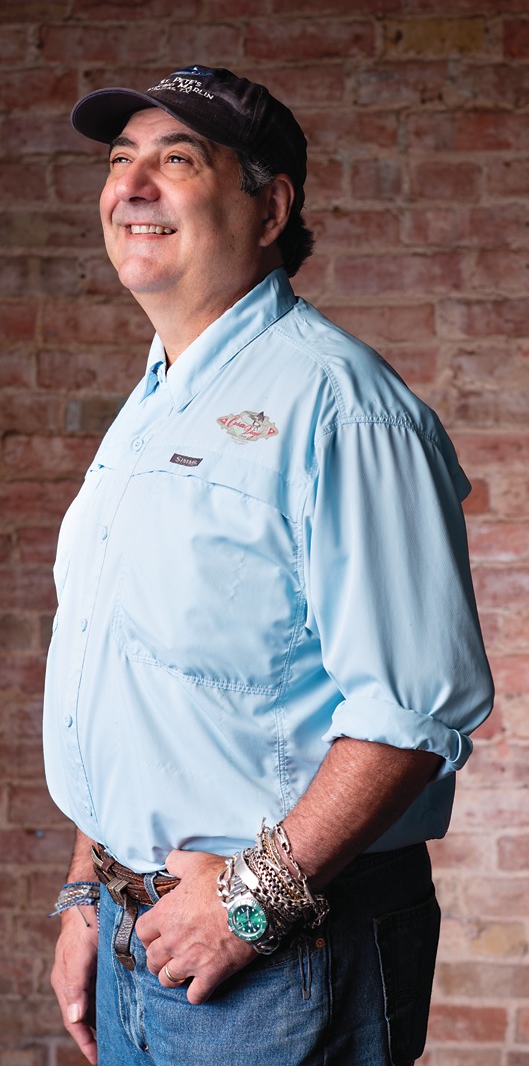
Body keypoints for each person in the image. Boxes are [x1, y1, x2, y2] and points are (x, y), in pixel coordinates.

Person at [43, 65, 493, 1066]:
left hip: (279, 956)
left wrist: (248, 907)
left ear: (270, 207)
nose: (132, 186)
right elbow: (124, 679)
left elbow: (413, 713)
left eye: (176, 160)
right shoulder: (157, 403)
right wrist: (88, 892)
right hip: (136, 935)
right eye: (120, 161)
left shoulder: (342, 408)